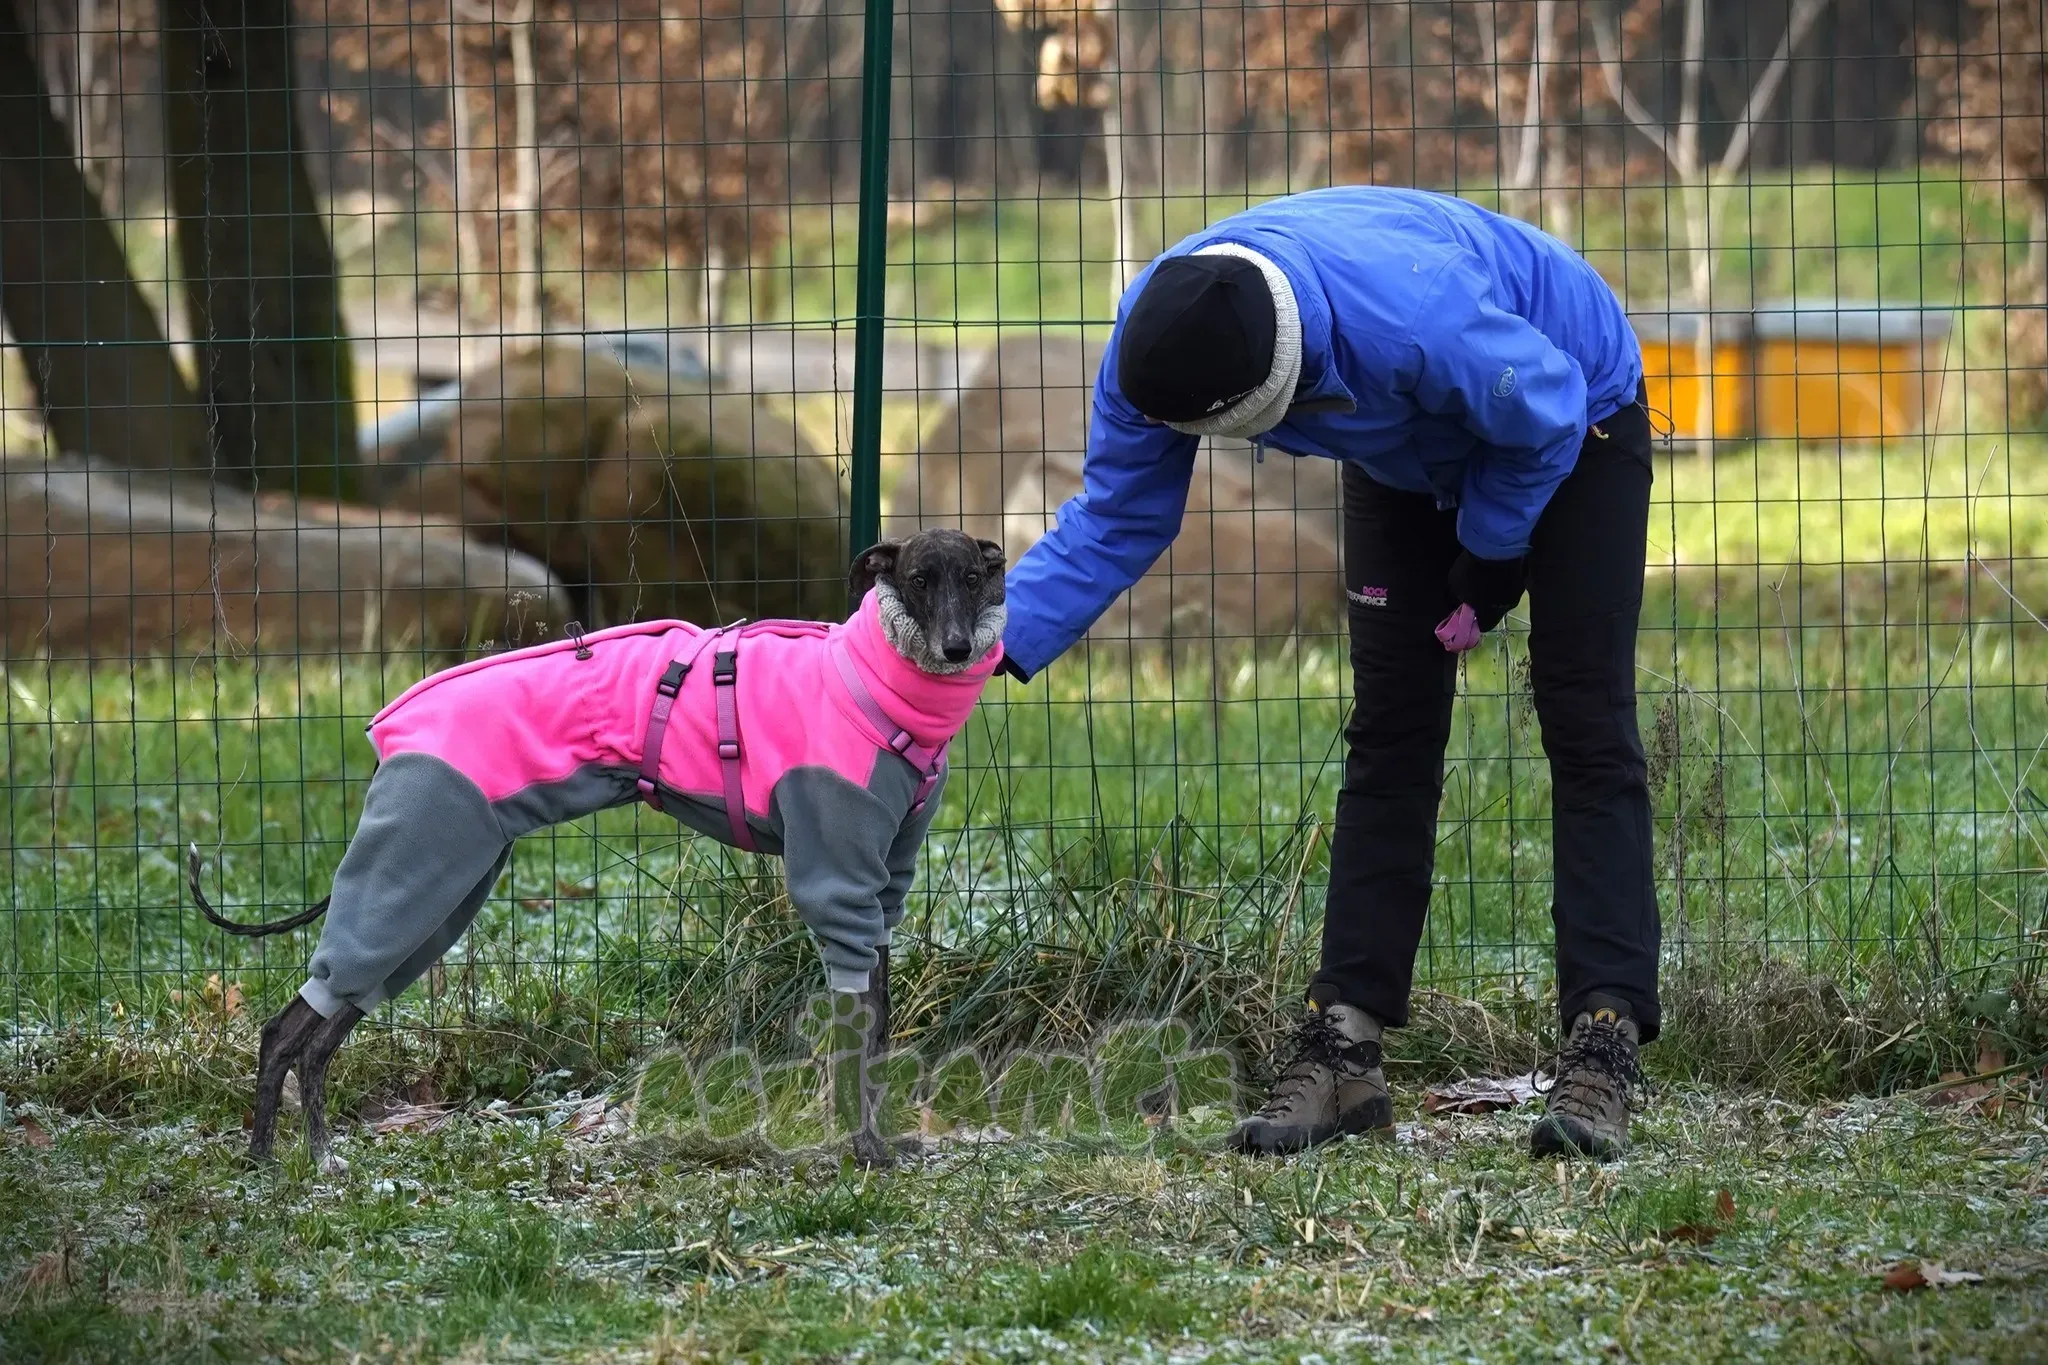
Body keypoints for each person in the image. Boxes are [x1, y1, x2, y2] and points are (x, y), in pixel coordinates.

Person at [997, 186, 1659, 1160]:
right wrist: (981, 647)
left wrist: (1487, 551)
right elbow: (1114, 517)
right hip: (1403, 454)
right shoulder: (1161, 340)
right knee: (1389, 729)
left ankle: (1602, 1042)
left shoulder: (1412, 316)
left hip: (1569, 409)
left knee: (1582, 715)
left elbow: (1544, 409)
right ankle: (1340, 1048)